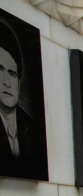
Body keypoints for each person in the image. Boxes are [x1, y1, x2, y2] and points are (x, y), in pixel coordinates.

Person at [0, 26, 47, 180]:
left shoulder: (32, 128)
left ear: (19, 84)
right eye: (0, 71)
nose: (7, 82)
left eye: (12, 74)